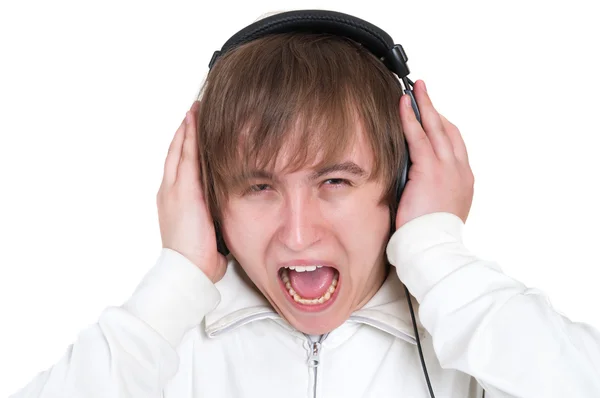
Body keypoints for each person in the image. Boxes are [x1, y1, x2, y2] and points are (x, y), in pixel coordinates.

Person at [11, 24, 600, 398]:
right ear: (210, 199)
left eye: (335, 180)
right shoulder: (161, 353)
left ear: (399, 183)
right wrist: (173, 283)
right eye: (259, 187)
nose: (296, 234)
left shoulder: (472, 346)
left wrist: (437, 253)